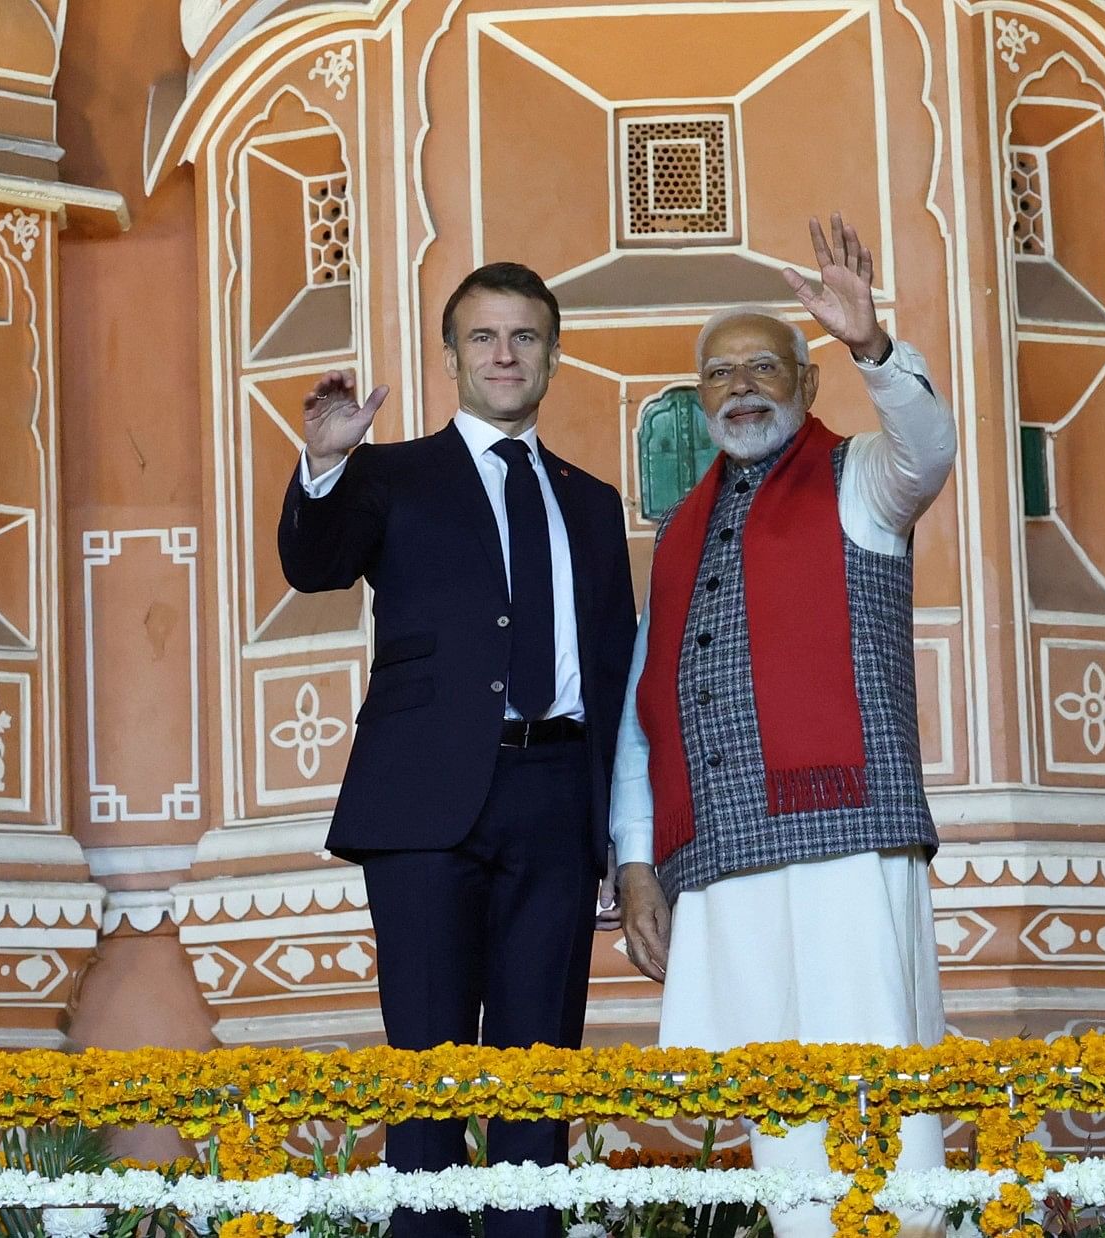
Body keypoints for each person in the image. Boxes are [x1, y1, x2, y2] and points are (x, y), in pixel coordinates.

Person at [610, 215, 958, 1238]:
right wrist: (638, 866)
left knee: (880, 1079)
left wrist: (873, 349)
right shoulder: (676, 535)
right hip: (719, 854)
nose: (741, 386)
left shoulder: (861, 481)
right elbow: (646, 713)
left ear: (805, 389)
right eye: (719, 374)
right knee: (776, 1103)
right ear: (699, 397)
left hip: (844, 833)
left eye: (766, 366)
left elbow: (928, 450)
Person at [276, 262, 636, 1238]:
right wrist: (324, 464)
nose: (505, 354)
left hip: (557, 799)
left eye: (525, 337)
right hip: (424, 806)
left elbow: (612, 672)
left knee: (535, 1088)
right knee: (428, 1082)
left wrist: (615, 835)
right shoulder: (388, 474)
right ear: (451, 358)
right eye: (484, 338)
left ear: (554, 358)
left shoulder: (593, 502)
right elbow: (313, 562)